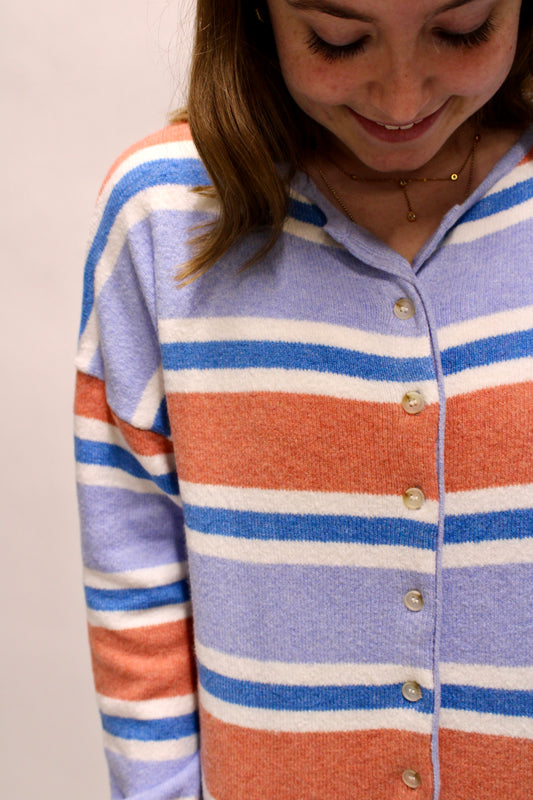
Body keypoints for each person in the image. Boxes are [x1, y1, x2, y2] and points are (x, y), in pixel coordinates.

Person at [74, 0, 533, 798]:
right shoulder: (165, 217)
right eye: (338, 38)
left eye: (461, 29)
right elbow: (133, 576)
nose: (400, 99)